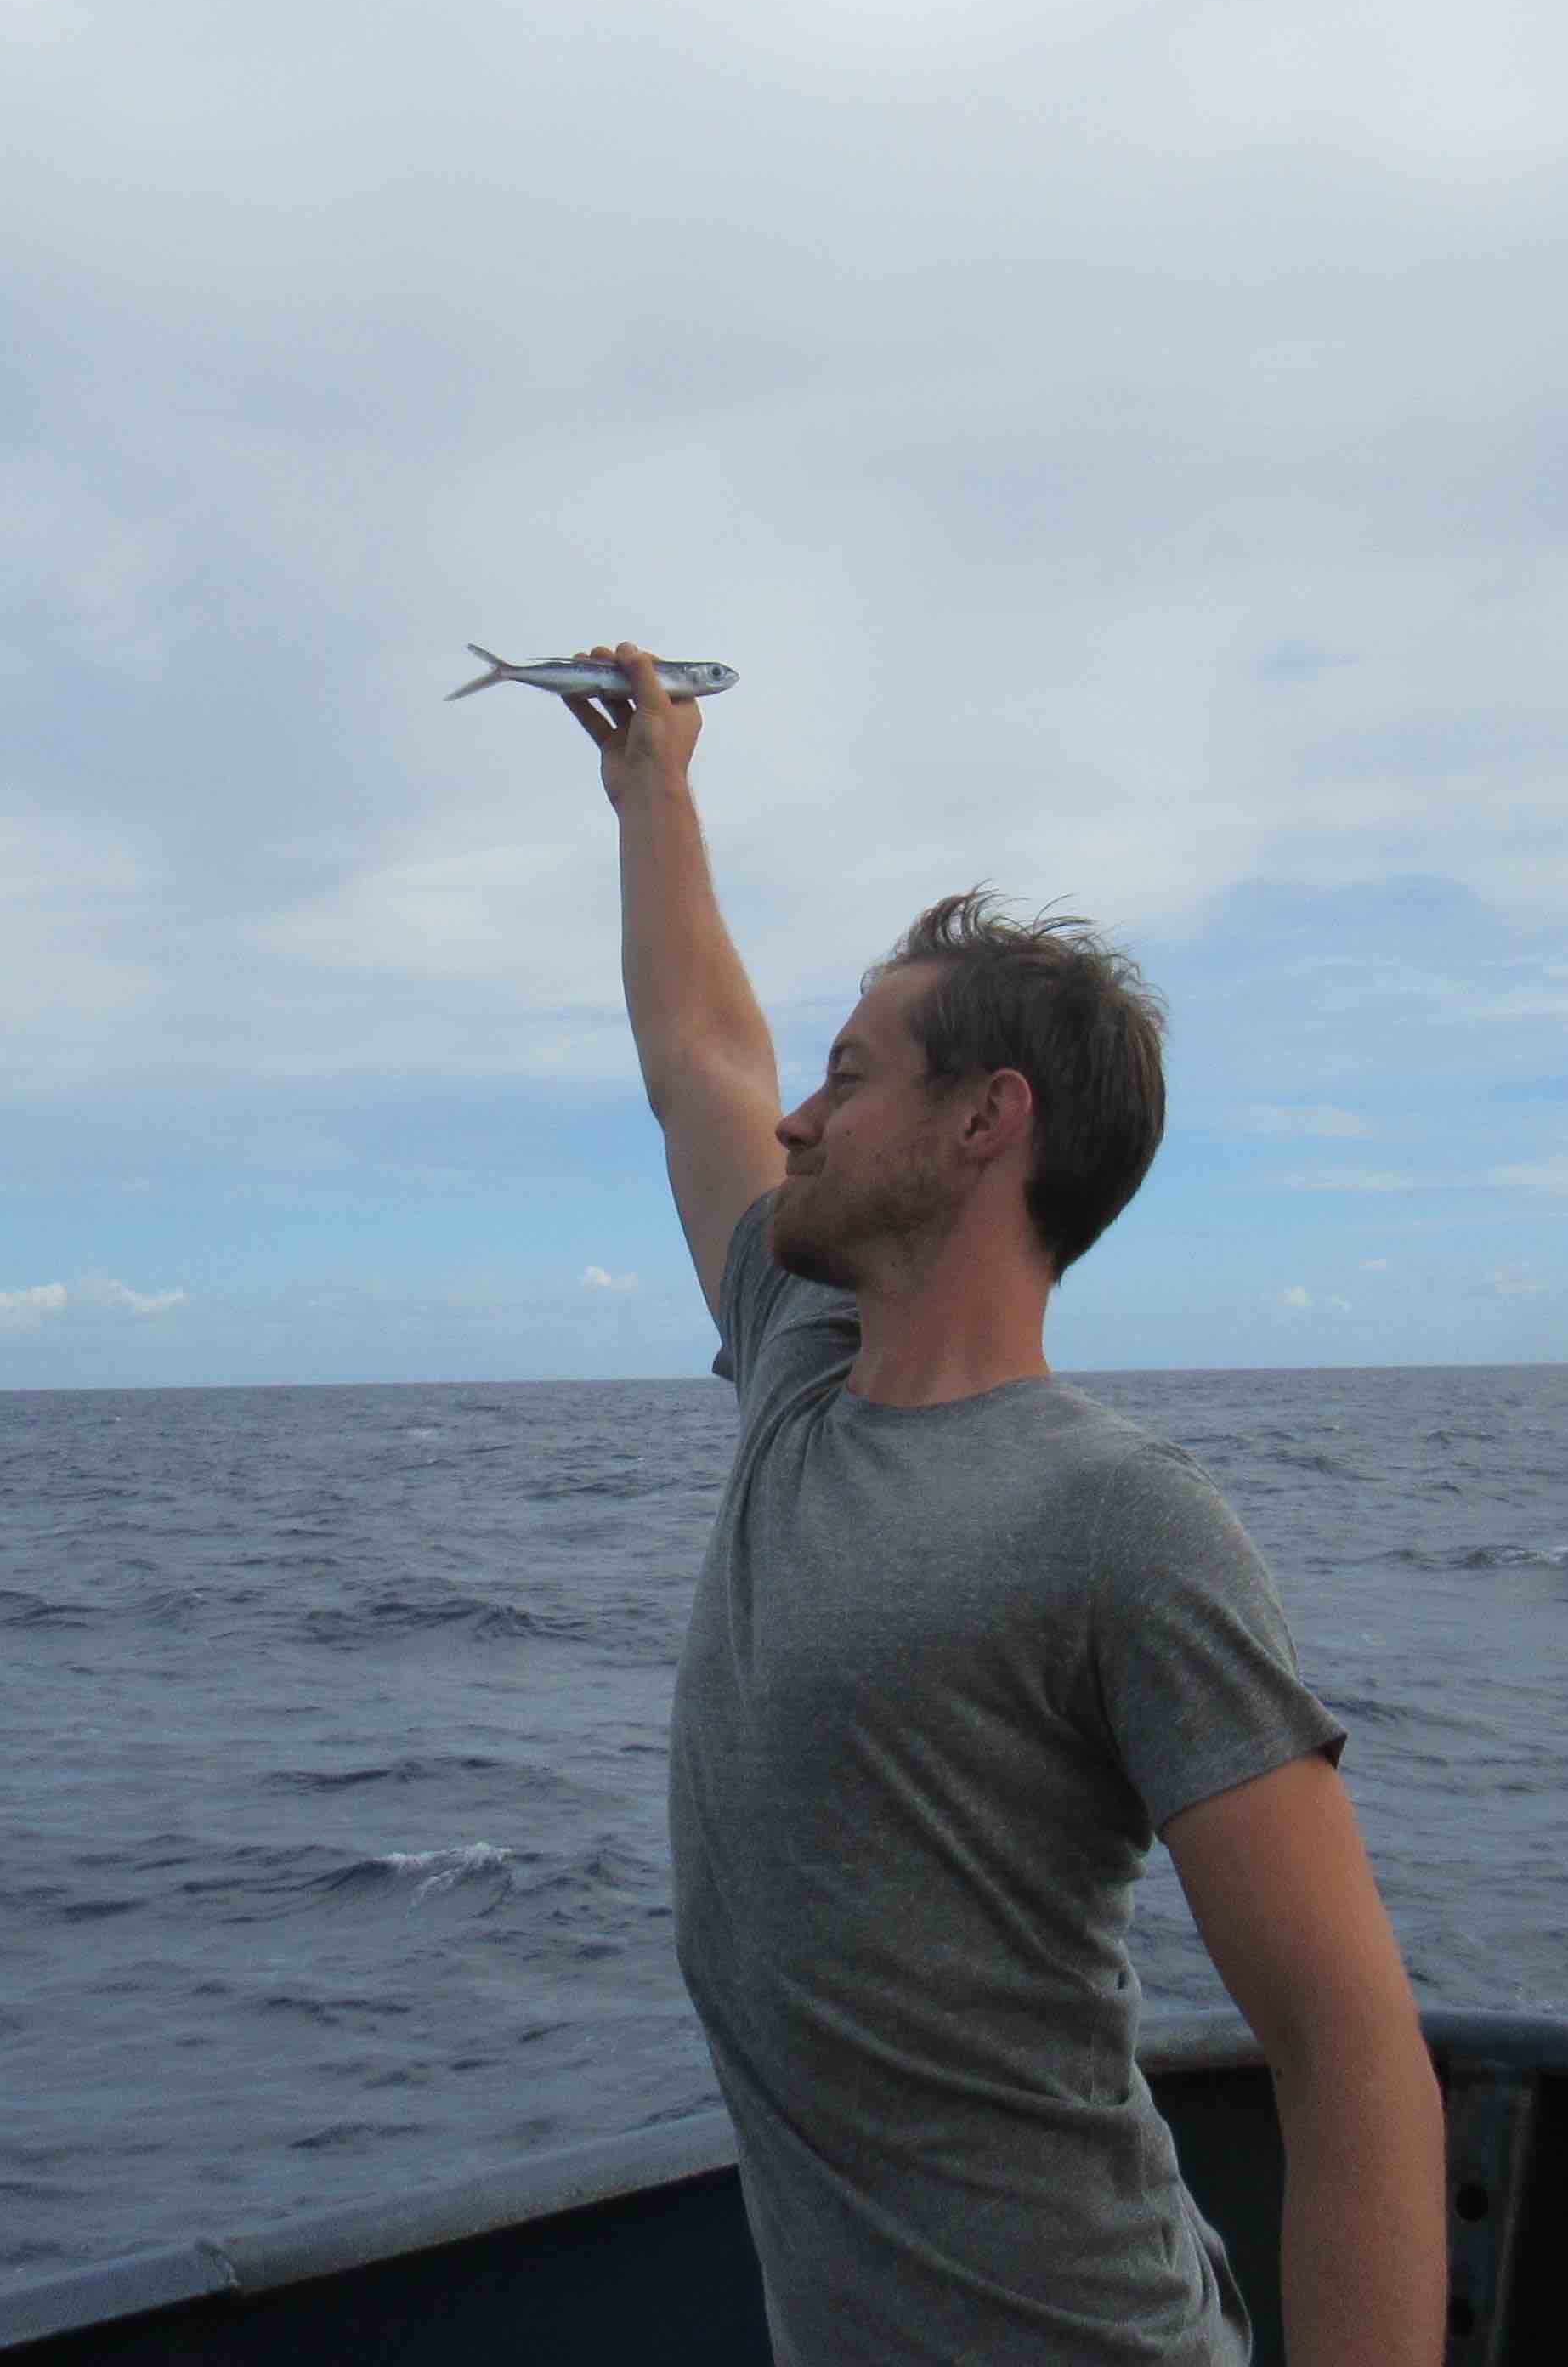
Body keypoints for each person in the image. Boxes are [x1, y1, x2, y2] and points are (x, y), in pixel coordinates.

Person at [554, 643, 1447, 2366]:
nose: (799, 1123)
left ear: (984, 1122)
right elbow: (700, 1061)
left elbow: (1353, 2062)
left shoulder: (1121, 1520)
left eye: (852, 1078)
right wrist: (654, 792)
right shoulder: (799, 1365)